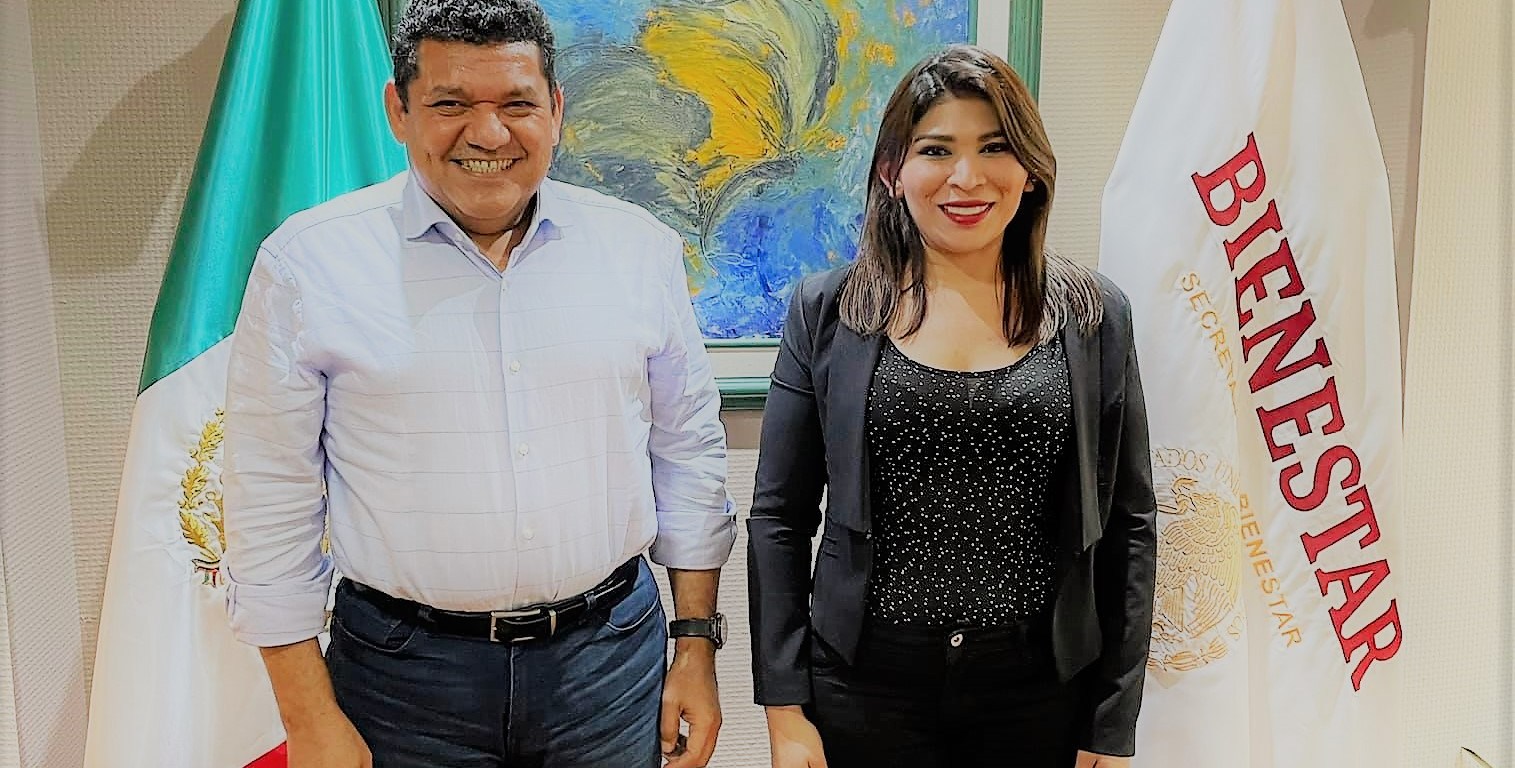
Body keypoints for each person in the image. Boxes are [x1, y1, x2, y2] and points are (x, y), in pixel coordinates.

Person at [221, 2, 734, 766]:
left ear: (555, 109)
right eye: (450, 104)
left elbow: (687, 454)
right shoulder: (310, 265)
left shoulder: (638, 251)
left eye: (517, 104)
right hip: (403, 678)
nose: (488, 134)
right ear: (399, 110)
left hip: (607, 666)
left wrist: (694, 645)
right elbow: (269, 500)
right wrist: (306, 715)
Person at [746, 45, 1157, 768]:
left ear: (1030, 169)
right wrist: (784, 709)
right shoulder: (828, 311)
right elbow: (779, 518)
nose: (966, 178)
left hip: (1041, 691)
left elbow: (1130, 523)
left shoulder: (1093, 315)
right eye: (936, 150)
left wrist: (1112, 720)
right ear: (892, 171)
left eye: (994, 147)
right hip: (864, 687)